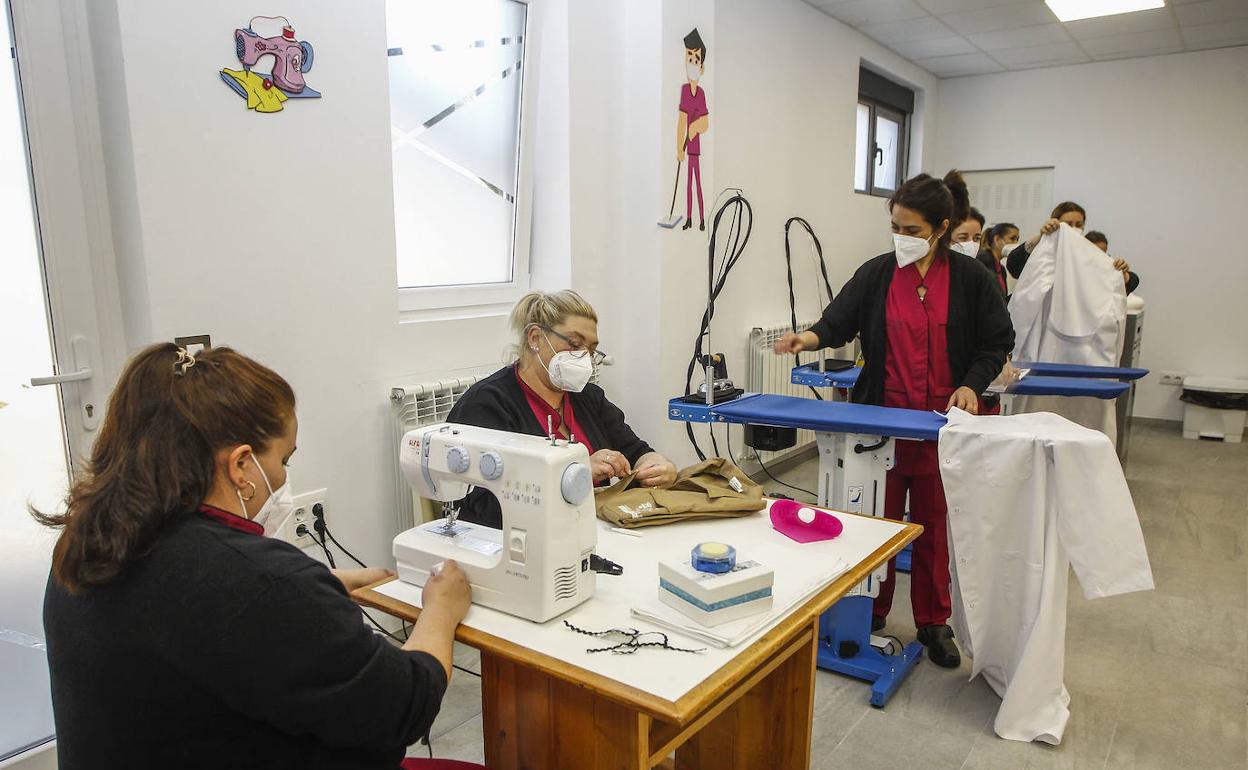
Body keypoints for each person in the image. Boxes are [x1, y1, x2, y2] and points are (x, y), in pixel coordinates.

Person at [37, 344, 472, 770]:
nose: (284, 476)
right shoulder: (258, 585)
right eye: (283, 459)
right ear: (241, 465)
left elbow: (191, 623)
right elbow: (402, 708)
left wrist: (316, 590)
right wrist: (440, 611)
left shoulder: (86, 547)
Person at [773, 171, 1014, 668]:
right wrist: (808, 340)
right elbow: (837, 320)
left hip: (940, 428)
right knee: (875, 521)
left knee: (931, 525)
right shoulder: (877, 273)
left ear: (941, 227)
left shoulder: (970, 280)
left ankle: (933, 621)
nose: (901, 237)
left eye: (911, 228)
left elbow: (996, 342)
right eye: (895, 227)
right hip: (878, 426)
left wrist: (970, 383)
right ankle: (872, 607)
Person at [448, 290, 678, 528]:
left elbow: (637, 451)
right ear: (535, 338)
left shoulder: (588, 397)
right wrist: (573, 476)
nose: (583, 358)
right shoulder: (487, 404)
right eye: (574, 344)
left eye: (590, 350)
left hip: (594, 529)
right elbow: (482, 505)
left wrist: (658, 465)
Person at [1006, 201, 1139, 293]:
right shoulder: (1043, 251)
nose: (1074, 228)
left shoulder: (1089, 252)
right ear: (1055, 222)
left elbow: (1132, 281)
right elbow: (1014, 265)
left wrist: (1123, 273)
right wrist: (1041, 236)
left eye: (1079, 224)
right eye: (1068, 224)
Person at [677, 28, 709, 231]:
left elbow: (705, 123)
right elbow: (681, 121)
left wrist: (694, 129)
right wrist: (679, 148)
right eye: (689, 58)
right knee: (688, 184)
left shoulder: (702, 93)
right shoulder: (684, 91)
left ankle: (702, 219)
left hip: (695, 146)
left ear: (702, 67)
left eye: (695, 60)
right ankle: (689, 218)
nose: (692, 63)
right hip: (688, 148)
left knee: (698, 184)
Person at [978, 222, 1018, 298]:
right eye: (1012, 238)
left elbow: (1000, 299)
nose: (1016, 243)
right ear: (997, 239)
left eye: (1017, 239)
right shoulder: (983, 259)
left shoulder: (1001, 269)